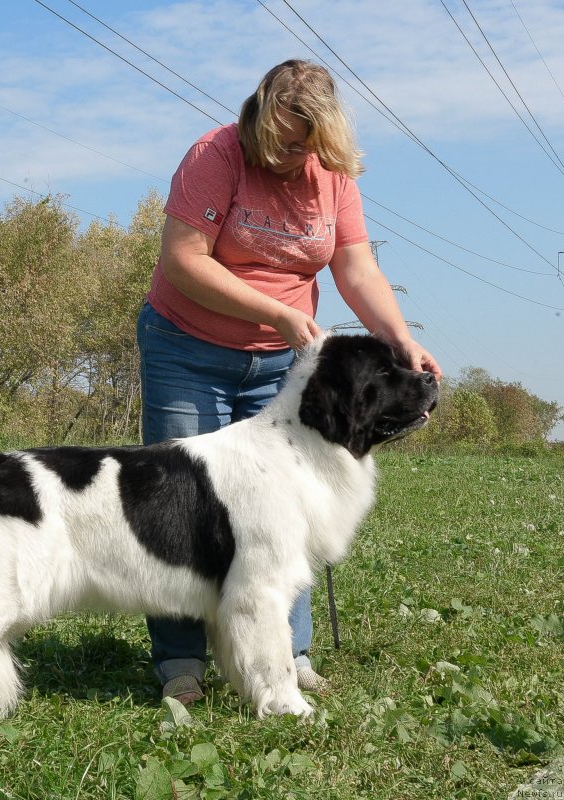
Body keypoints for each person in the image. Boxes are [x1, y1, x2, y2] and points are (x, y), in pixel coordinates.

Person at [136, 59, 442, 706]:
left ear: (323, 137)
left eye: (299, 145)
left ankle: (287, 657)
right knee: (177, 508)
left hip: (280, 363)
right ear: (257, 115)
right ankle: (181, 661)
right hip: (186, 350)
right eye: (275, 141)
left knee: (288, 513)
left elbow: (355, 268)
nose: (284, 156)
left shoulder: (330, 178)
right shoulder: (214, 155)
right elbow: (183, 261)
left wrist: (398, 338)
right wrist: (276, 311)